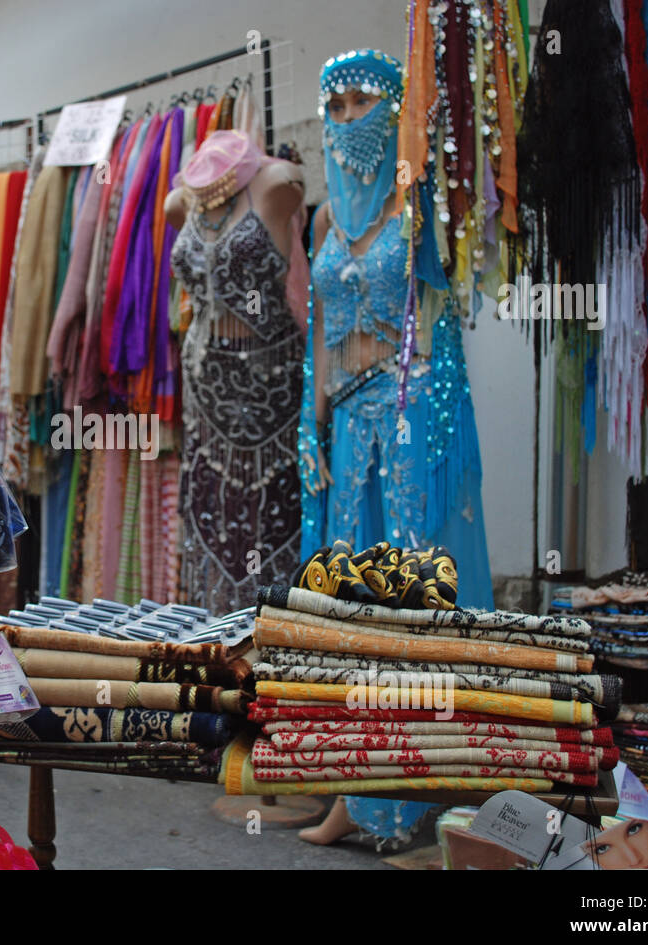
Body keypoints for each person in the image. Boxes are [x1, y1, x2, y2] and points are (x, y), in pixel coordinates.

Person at [297, 49, 492, 850]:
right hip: (345, 425)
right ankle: (354, 787)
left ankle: (418, 790)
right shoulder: (320, 220)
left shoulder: (417, 217)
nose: (347, 120)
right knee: (348, 606)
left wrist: (433, 430)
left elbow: (443, 333)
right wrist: (309, 429)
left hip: (408, 417)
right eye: (333, 105)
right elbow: (317, 332)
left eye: (361, 102)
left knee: (408, 601)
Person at [165, 130, 311, 613]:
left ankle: (285, 631)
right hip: (205, 386)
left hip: (273, 381)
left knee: (277, 506)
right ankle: (219, 629)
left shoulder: (278, 182)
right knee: (215, 507)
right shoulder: (181, 200)